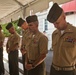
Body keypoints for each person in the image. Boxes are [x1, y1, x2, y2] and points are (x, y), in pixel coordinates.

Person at [47, 3, 76, 75]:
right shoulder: (54, 34)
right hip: (53, 70)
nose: (55, 26)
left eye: (57, 23)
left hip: (68, 72)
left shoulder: (74, 33)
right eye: (54, 24)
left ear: (64, 17)